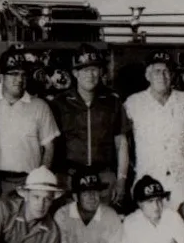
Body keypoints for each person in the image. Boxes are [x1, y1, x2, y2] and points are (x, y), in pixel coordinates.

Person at [122, 50, 184, 207]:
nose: (162, 76)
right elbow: (123, 139)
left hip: (179, 178)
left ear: (173, 75)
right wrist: (133, 163)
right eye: (157, 71)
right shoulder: (133, 102)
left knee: (180, 223)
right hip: (146, 175)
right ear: (148, 75)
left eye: (167, 71)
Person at [0, 46, 61, 210]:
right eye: (14, 74)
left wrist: (40, 180)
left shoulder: (40, 106)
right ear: (2, 77)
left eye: (23, 74)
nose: (19, 79)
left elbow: (49, 148)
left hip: (27, 183)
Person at [50, 44, 130, 205]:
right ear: (75, 73)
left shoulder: (112, 101)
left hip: (104, 177)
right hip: (69, 177)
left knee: (103, 223)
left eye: (94, 69)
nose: (90, 75)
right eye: (84, 70)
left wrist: (121, 179)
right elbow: (50, 144)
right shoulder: (59, 103)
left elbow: (121, 144)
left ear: (101, 72)